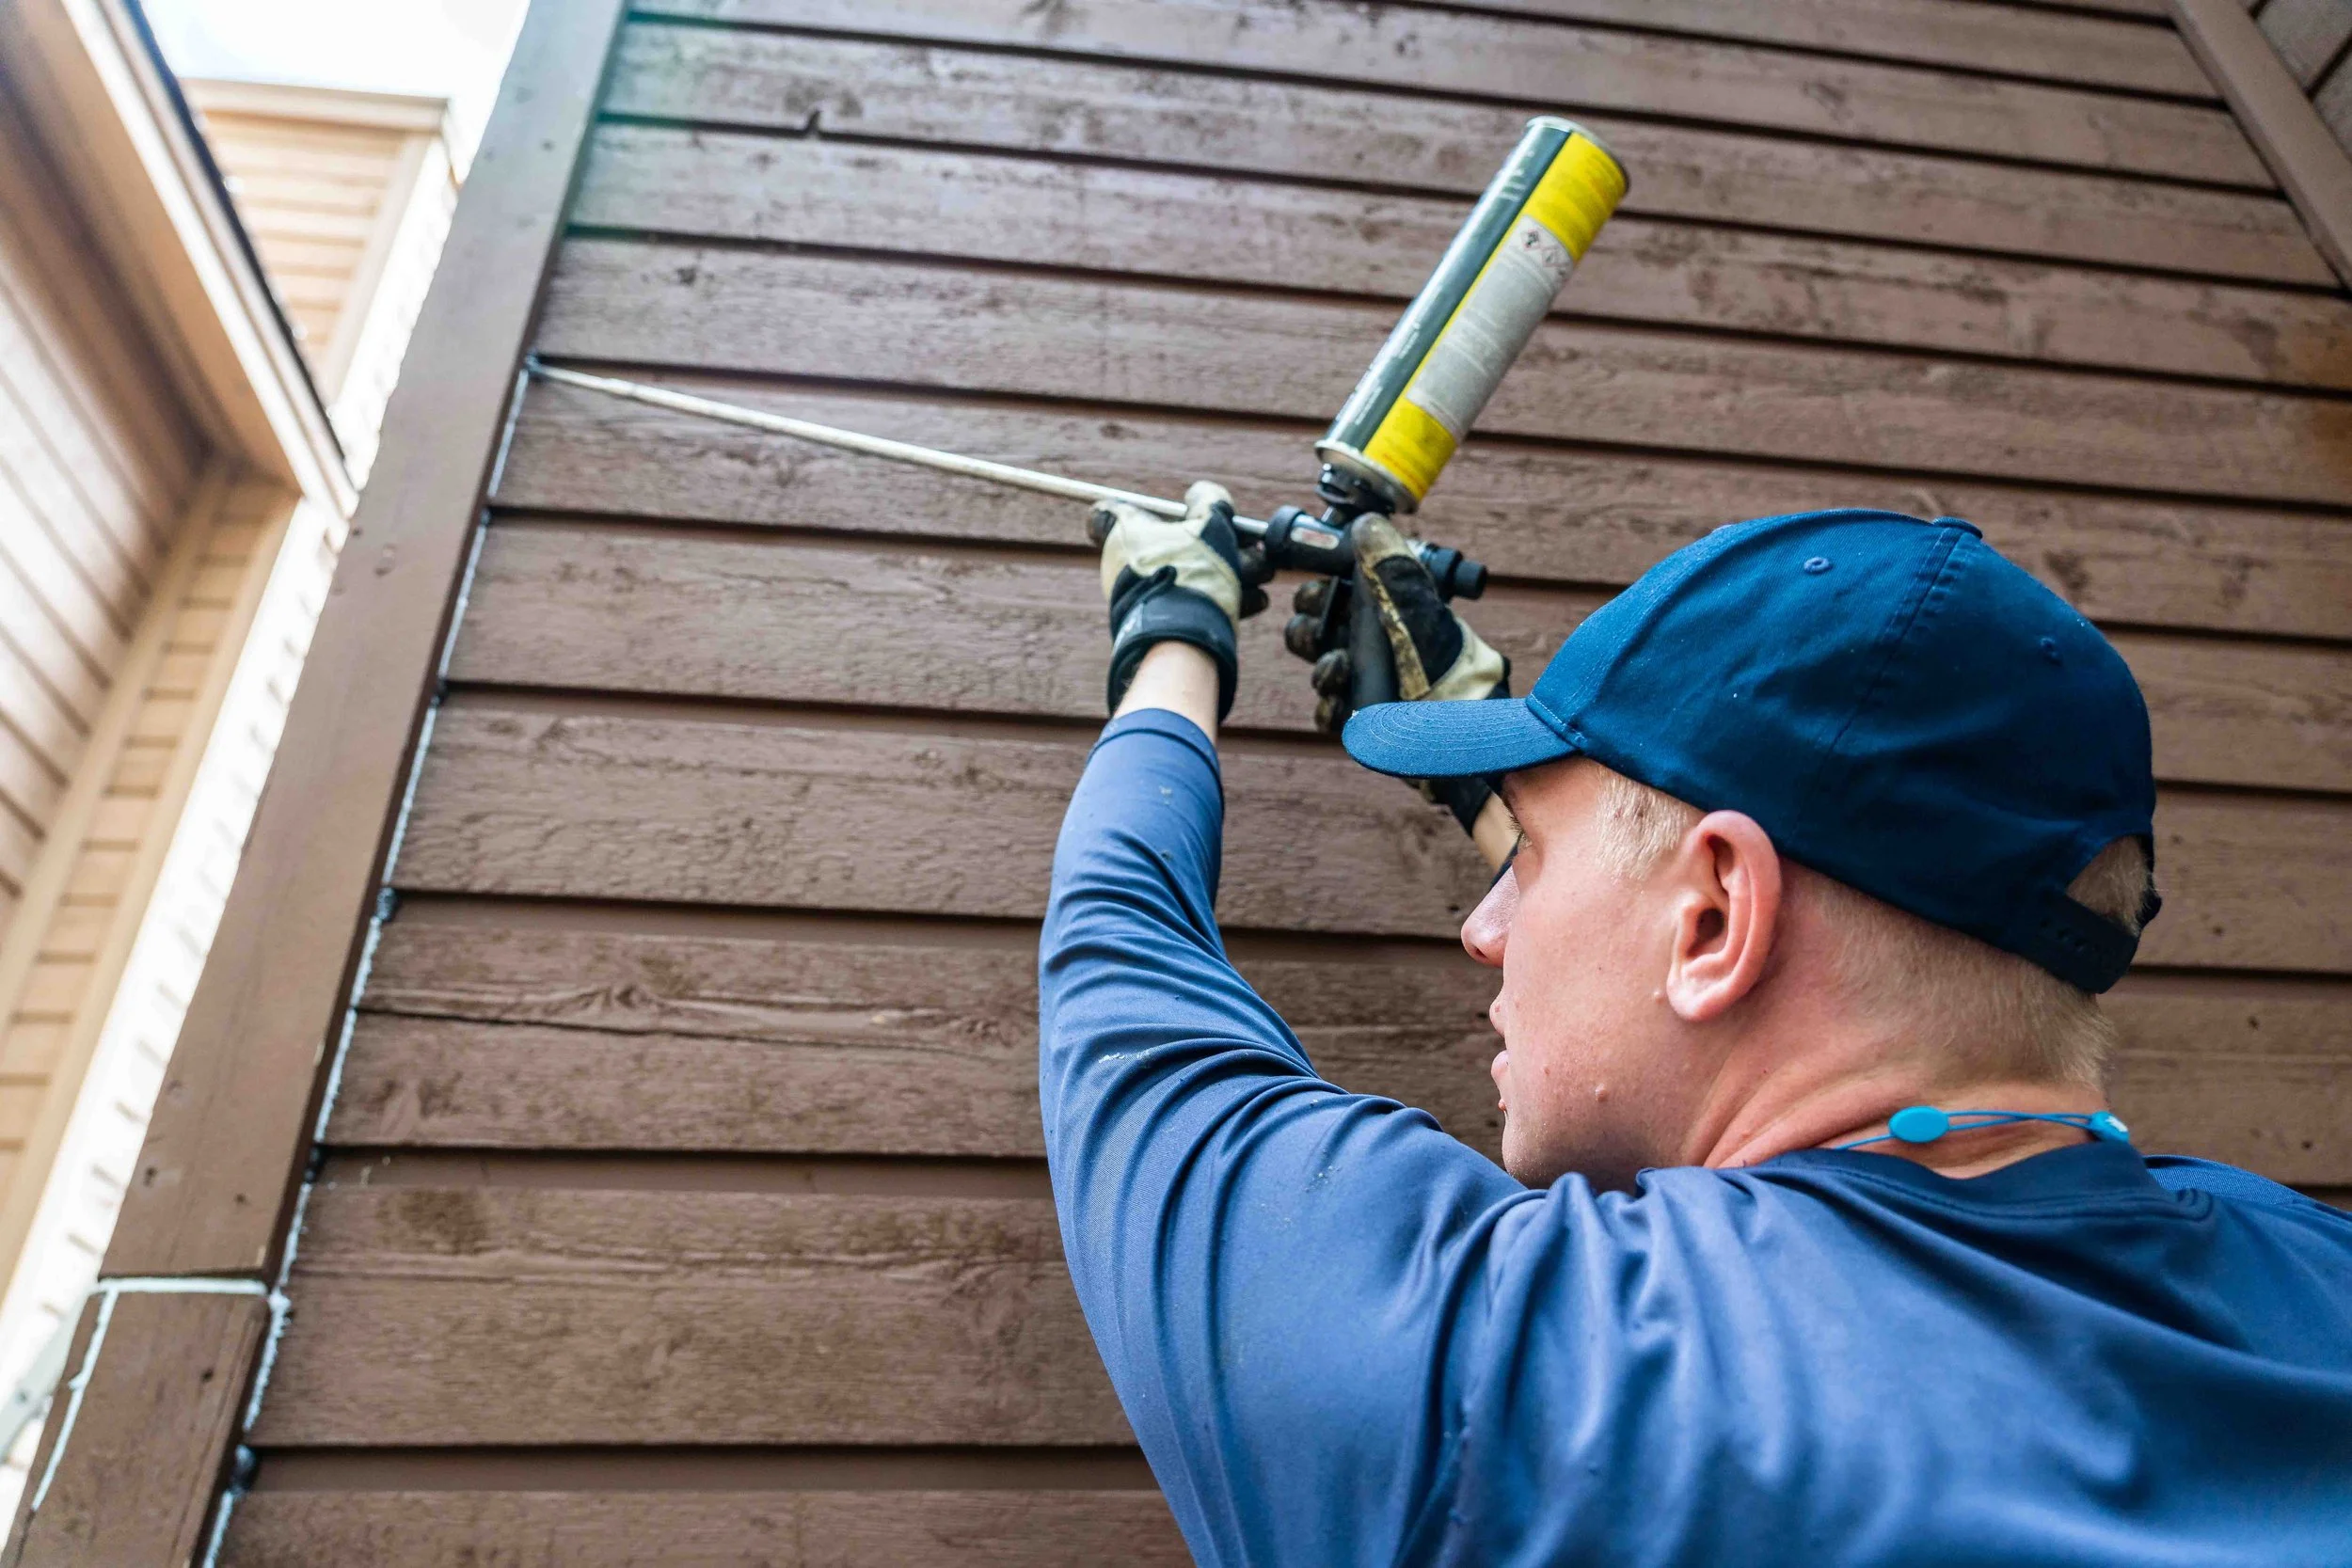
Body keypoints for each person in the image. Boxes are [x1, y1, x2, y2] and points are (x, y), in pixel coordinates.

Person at [1039, 488, 2352, 1567]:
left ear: (1721, 917)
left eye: (1526, 868)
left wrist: (1171, 638)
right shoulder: (2316, 1280)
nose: (1485, 929)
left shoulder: (1513, 1386)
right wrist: (1546, 819)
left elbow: (1124, 971)